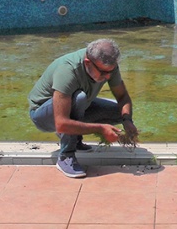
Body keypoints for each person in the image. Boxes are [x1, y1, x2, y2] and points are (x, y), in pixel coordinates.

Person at [28, 38, 138, 178]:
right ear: (87, 63)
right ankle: (66, 156)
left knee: (119, 112)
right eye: (103, 73)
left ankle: (75, 139)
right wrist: (100, 128)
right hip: (42, 115)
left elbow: (123, 98)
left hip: (75, 106)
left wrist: (127, 119)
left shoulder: (107, 67)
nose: (107, 76)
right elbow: (61, 124)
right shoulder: (68, 70)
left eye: (110, 72)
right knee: (79, 97)